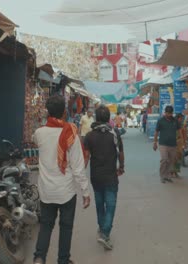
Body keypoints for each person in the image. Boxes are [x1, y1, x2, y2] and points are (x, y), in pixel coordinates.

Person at [33, 96, 91, 264]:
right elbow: (78, 167)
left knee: (46, 225)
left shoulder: (39, 133)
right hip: (66, 191)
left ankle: (39, 258)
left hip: (46, 190)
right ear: (65, 112)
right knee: (66, 227)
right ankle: (63, 260)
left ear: (47, 112)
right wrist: (85, 191)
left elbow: (39, 144)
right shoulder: (71, 132)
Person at [83, 105, 125, 251]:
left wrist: (80, 174)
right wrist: (122, 167)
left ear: (95, 118)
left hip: (95, 177)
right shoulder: (114, 133)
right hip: (110, 177)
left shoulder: (89, 136)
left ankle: (102, 230)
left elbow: (86, 157)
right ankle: (105, 232)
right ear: (108, 119)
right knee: (111, 205)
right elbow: (120, 152)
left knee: (100, 205)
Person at [153, 106, 181, 183]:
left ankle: (167, 176)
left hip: (173, 144)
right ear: (165, 112)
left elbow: (179, 131)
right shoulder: (161, 121)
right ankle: (162, 176)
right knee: (164, 159)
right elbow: (156, 132)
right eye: (167, 113)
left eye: (170, 113)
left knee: (171, 161)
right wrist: (155, 142)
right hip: (163, 144)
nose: (169, 115)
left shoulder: (175, 121)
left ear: (172, 113)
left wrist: (180, 141)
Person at [171, 113, 187, 178]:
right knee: (173, 158)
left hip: (180, 143)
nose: (182, 120)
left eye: (182, 119)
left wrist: (184, 143)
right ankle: (172, 172)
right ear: (177, 118)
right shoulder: (173, 124)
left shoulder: (182, 125)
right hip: (174, 142)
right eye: (181, 118)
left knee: (179, 158)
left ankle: (176, 171)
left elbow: (184, 134)